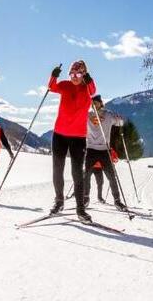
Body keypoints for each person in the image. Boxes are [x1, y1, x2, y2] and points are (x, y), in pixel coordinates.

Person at [47, 60, 96, 222]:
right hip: (59, 134)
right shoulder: (65, 85)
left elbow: (93, 91)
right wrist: (54, 76)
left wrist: (89, 80)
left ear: (84, 74)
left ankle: (80, 209)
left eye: (78, 73)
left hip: (78, 137)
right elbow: (52, 87)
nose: (75, 77)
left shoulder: (87, 88)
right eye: (72, 74)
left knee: (77, 173)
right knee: (57, 170)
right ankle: (59, 202)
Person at [84, 95, 127, 211]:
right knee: (85, 175)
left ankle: (117, 201)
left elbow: (120, 123)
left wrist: (119, 119)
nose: (94, 105)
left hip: (104, 150)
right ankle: (85, 198)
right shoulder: (87, 115)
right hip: (91, 149)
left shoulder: (108, 115)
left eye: (96, 102)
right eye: (92, 103)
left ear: (101, 103)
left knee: (112, 177)